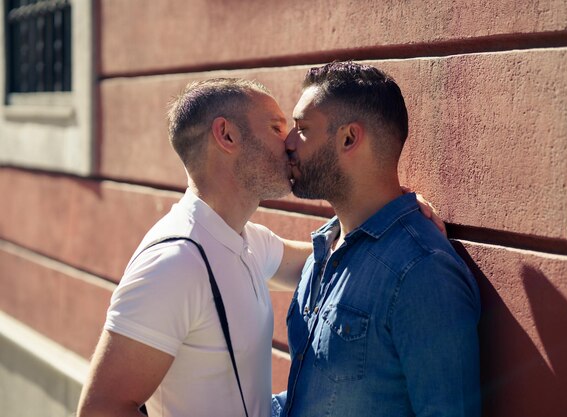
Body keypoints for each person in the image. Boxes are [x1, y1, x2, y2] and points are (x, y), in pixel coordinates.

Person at [76, 77, 444, 417]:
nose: (288, 143)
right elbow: (100, 409)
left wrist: (394, 210)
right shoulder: (175, 261)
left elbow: (340, 262)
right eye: (275, 127)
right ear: (227, 136)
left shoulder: (247, 240)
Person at [273, 62, 481, 417]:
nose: (287, 143)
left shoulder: (422, 271)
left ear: (349, 138)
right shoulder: (326, 250)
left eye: (302, 129)